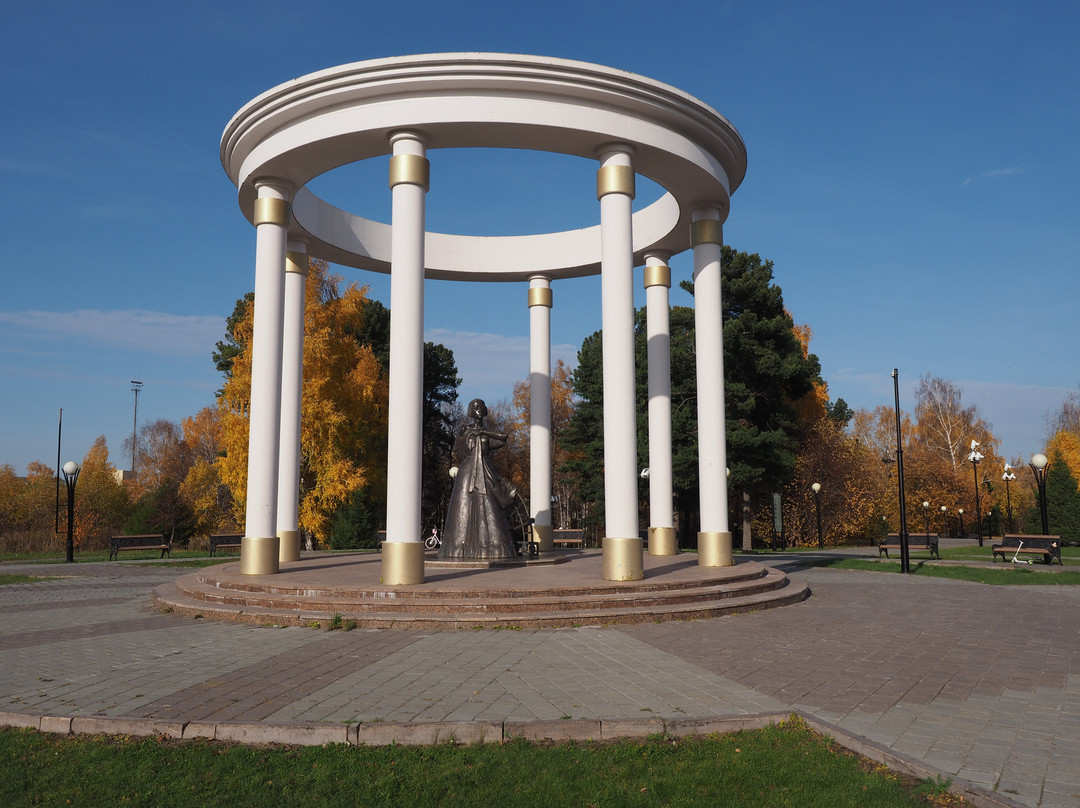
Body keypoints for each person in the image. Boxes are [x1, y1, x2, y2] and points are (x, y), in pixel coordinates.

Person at [439, 399, 519, 559]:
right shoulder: (464, 430)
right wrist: (468, 433)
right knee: (463, 507)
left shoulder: (487, 432)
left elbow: (503, 437)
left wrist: (482, 432)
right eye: (476, 407)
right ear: (470, 410)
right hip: (467, 473)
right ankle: (457, 549)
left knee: (491, 507)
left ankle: (497, 549)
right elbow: (458, 451)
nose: (479, 409)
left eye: (482, 407)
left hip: (486, 471)